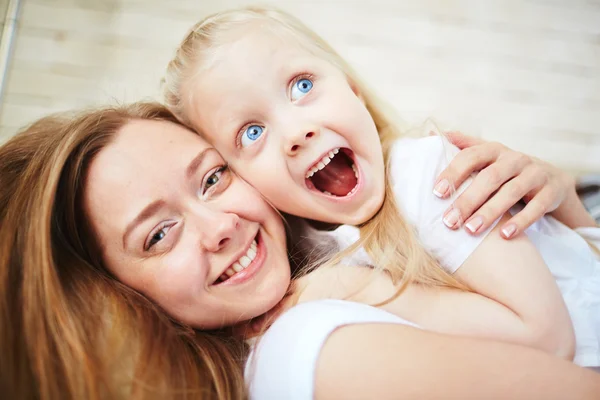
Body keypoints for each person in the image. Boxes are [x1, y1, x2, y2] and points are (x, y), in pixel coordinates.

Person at [2, 102, 599, 399]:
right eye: (159, 235)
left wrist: (566, 212)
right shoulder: (308, 348)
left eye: (212, 178)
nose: (221, 225)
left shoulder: (324, 259)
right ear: (114, 298)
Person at [161, 6, 600, 367]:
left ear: (352, 89)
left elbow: (547, 340)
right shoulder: (316, 252)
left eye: (302, 85)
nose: (296, 133)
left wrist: (354, 291)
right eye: (252, 133)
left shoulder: (426, 176)